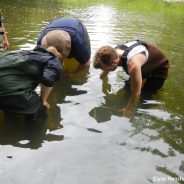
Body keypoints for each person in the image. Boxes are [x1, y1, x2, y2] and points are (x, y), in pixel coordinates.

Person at [93, 40, 169, 117]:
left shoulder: (133, 64)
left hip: (158, 67)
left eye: (106, 69)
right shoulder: (112, 54)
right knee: (127, 91)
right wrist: (104, 83)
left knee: (144, 98)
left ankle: (152, 105)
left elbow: (136, 93)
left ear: (115, 62)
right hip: (143, 65)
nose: (105, 71)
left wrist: (128, 109)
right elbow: (103, 73)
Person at [0, 45, 63, 120]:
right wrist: (43, 100)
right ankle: (33, 131)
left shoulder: (27, 53)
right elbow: (48, 79)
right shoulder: (53, 60)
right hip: (5, 86)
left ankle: (9, 115)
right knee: (40, 109)